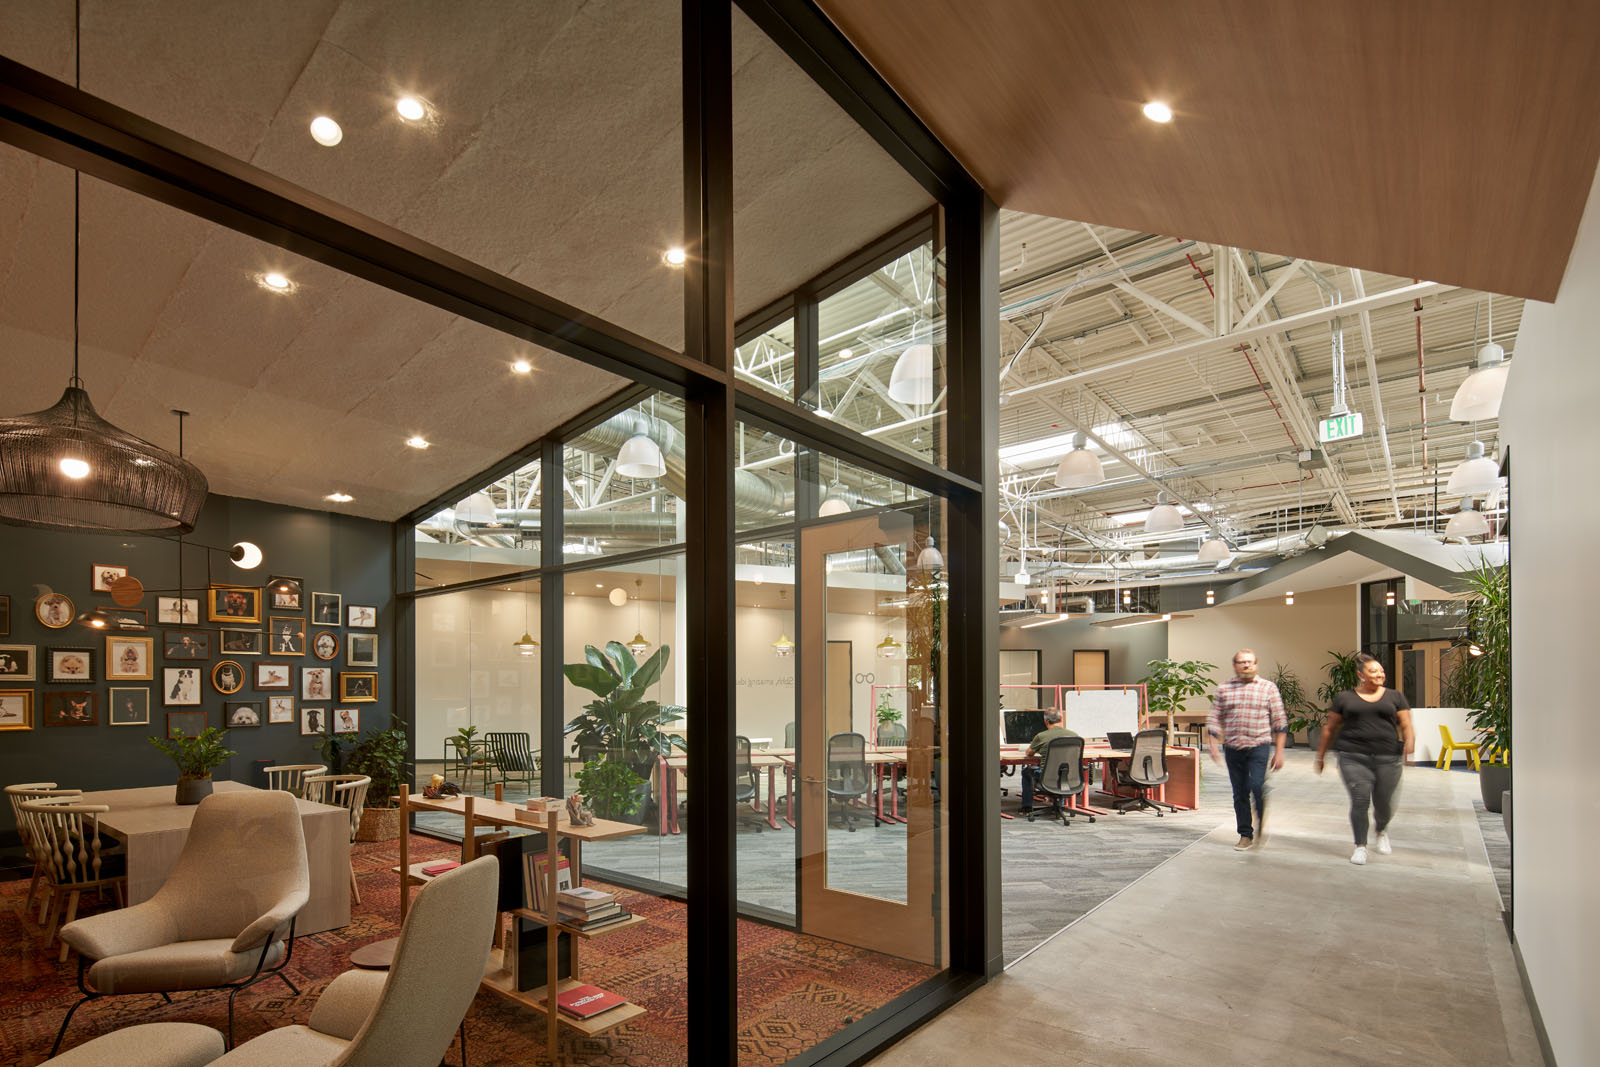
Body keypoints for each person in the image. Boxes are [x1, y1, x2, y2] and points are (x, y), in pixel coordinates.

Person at [1316, 652, 1414, 865]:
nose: (1380, 674)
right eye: (1373, 671)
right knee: (1360, 799)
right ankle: (1360, 846)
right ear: (1361, 675)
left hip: (1388, 757)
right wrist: (1320, 756)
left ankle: (1381, 830)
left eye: (1381, 670)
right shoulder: (1345, 698)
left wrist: (1410, 744)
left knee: (1384, 803)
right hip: (1353, 756)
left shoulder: (1395, 696)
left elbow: (1406, 724)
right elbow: (1329, 728)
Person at [1207, 648, 1287, 850]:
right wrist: (1213, 744)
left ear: (1256, 665)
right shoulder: (1224, 688)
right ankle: (1245, 834)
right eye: (1242, 662)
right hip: (1233, 747)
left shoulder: (1268, 688)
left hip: (1259, 745)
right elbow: (1215, 717)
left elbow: (1279, 720)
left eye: (1250, 662)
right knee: (1240, 792)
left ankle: (1260, 819)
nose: (1246, 665)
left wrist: (1279, 752)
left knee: (1257, 785)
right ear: (1235, 665)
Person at [1017, 709, 1080, 814]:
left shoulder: (1041, 736)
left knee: (1026, 772)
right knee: (1062, 772)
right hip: (1070, 776)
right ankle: (1061, 805)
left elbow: (1029, 753)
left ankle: (1027, 806)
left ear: (1046, 721)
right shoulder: (1074, 735)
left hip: (1047, 777)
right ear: (1061, 719)